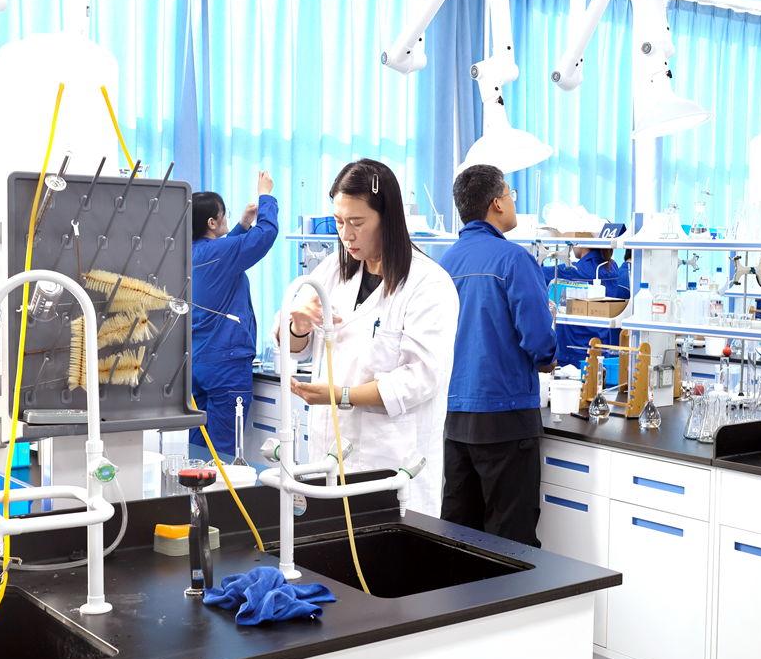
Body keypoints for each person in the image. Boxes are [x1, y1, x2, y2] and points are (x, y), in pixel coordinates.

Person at [274, 159, 458, 517]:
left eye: (357, 223)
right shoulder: (332, 271)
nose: (347, 235)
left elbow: (422, 378)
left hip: (392, 464)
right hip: (328, 458)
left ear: (387, 218)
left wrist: (341, 396)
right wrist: (298, 325)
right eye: (339, 222)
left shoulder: (428, 284)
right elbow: (296, 349)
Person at [438, 165, 556, 547]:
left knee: (458, 536)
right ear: (496, 204)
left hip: (454, 418)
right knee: (511, 542)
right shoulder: (513, 260)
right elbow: (540, 343)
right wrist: (549, 357)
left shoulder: (443, 264)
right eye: (510, 193)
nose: (512, 200)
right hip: (506, 420)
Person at [190, 173, 278, 455]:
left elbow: (222, 255)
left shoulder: (187, 255)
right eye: (223, 213)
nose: (226, 217)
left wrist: (241, 226)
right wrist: (265, 195)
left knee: (197, 448)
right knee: (224, 451)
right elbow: (265, 235)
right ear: (211, 223)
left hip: (197, 363)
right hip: (226, 365)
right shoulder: (218, 252)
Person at [543, 244, 625, 369]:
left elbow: (535, 272)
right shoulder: (612, 268)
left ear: (581, 243)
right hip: (600, 347)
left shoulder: (574, 270)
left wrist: (542, 252)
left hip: (572, 353)